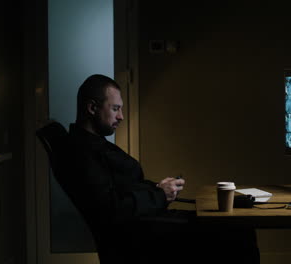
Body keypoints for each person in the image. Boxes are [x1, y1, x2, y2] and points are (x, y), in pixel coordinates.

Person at [58, 74, 259, 264]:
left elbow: (121, 189)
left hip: (146, 223)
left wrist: (158, 188)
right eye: (115, 109)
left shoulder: (93, 144)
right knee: (237, 231)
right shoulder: (81, 152)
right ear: (92, 108)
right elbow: (110, 208)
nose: (121, 116)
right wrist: (159, 195)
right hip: (138, 237)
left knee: (235, 226)